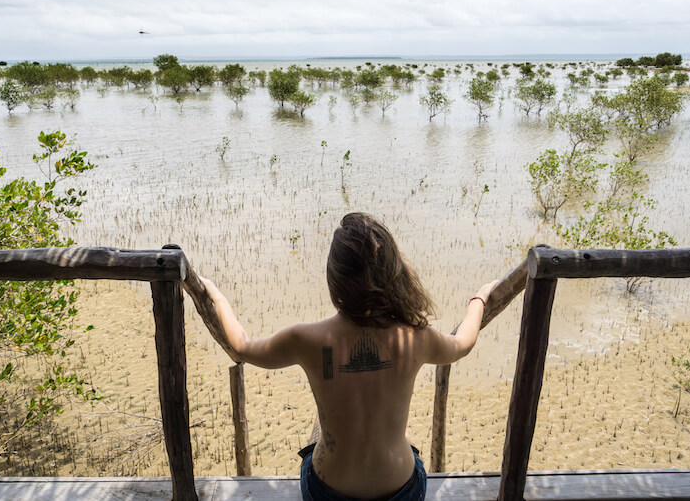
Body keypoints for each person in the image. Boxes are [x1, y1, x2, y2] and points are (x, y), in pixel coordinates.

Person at [201, 212, 497, 501]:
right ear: (393, 274)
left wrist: (218, 298)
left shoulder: (306, 339)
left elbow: (242, 347)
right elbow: (462, 343)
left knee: (323, 434)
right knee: (401, 436)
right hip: (402, 489)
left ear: (335, 279)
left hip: (327, 490)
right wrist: (478, 300)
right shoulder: (415, 337)